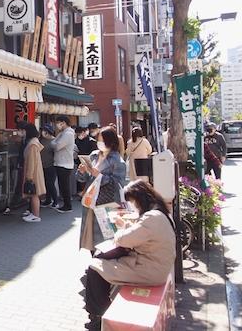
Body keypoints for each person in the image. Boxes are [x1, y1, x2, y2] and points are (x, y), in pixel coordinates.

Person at [83, 180, 176, 330]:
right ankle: (100, 312)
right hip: (154, 265)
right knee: (102, 265)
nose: (133, 206)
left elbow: (124, 240)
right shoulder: (159, 212)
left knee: (95, 268)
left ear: (139, 199)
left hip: (149, 270)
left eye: (132, 202)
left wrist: (120, 226)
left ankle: (98, 316)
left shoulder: (151, 218)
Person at [76, 126, 127, 252]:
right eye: (98, 139)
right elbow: (83, 179)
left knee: (106, 238)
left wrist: (99, 176)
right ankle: (95, 263)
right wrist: (82, 172)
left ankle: (102, 265)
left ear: (110, 141)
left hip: (107, 204)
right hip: (90, 202)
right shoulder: (93, 156)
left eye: (102, 140)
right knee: (90, 237)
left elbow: (118, 184)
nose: (99, 142)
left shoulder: (117, 161)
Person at [18, 122, 46, 222]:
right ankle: (34, 213)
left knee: (34, 194)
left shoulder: (32, 144)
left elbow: (31, 161)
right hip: (35, 172)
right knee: (34, 194)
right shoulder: (34, 142)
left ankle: (36, 215)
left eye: (24, 131)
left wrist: (29, 176)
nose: (22, 132)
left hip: (33, 173)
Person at [52, 115, 76, 213]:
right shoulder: (63, 133)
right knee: (63, 185)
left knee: (64, 186)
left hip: (64, 163)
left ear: (63, 122)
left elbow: (57, 145)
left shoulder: (68, 133)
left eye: (58, 123)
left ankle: (67, 206)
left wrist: (54, 143)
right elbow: (53, 142)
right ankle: (66, 205)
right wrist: (54, 143)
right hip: (60, 162)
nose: (57, 125)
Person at [75, 126, 98, 197]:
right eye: (77, 134)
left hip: (91, 163)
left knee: (90, 180)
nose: (79, 136)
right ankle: (83, 193)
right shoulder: (77, 140)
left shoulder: (92, 141)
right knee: (81, 179)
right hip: (80, 162)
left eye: (80, 133)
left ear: (84, 132)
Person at [39, 123, 58, 208]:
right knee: (46, 184)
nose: (43, 132)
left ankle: (55, 201)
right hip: (41, 165)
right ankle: (48, 200)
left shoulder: (55, 141)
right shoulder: (40, 140)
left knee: (50, 184)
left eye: (45, 131)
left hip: (51, 165)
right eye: (42, 130)